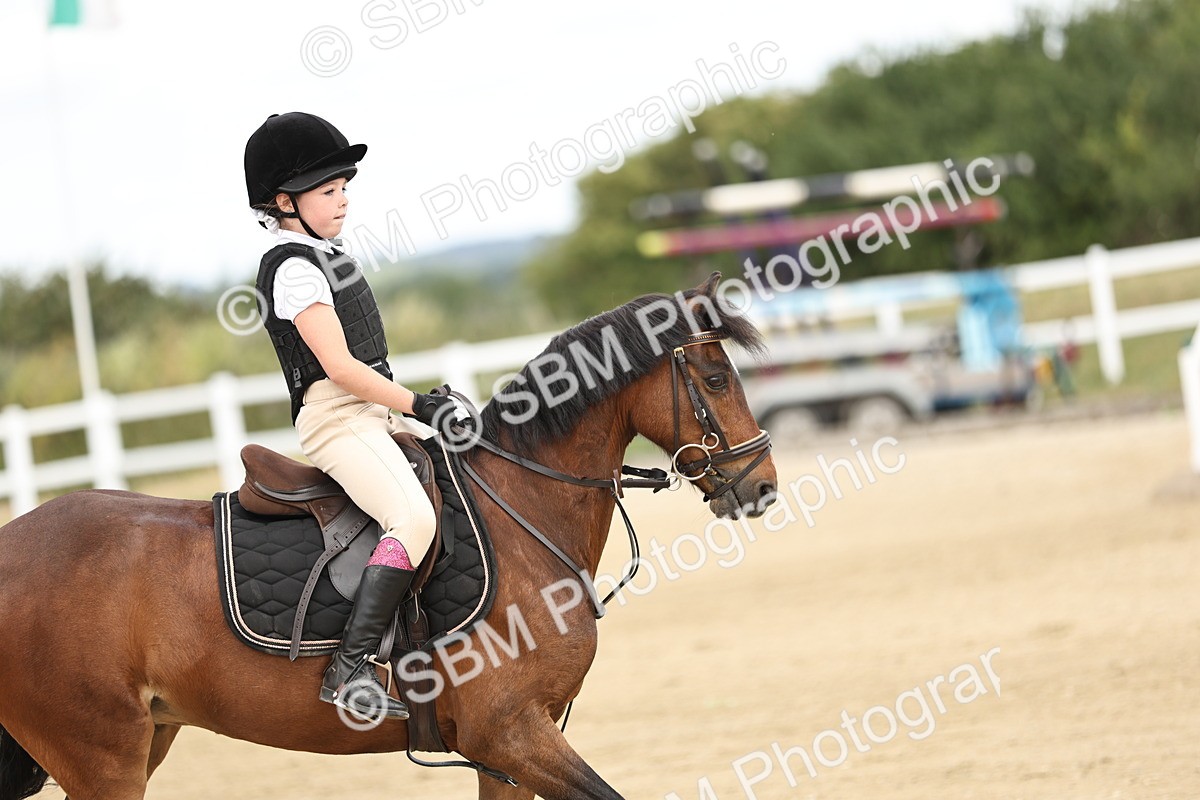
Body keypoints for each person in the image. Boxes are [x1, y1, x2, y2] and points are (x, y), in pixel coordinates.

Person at [244, 111, 455, 720]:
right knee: (411, 518)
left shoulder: (324, 253)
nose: (342, 203)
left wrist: (420, 412)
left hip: (371, 409)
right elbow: (337, 367)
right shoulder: (293, 269)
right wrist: (417, 405)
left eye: (344, 190)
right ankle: (351, 668)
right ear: (284, 201)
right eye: (327, 192)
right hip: (338, 419)